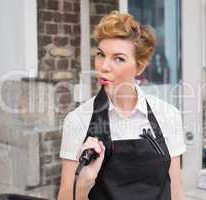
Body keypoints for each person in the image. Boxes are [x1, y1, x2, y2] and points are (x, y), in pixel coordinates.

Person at [58, 10, 186, 200]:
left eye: (119, 58)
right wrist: (84, 184)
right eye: (101, 55)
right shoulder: (77, 121)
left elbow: (176, 194)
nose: (104, 66)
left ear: (140, 66)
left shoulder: (168, 116)